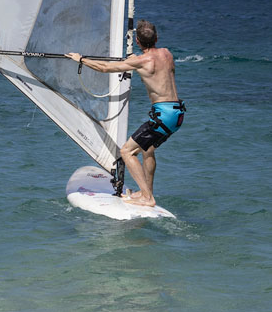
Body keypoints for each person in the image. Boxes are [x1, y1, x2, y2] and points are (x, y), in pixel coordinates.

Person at [66, 20, 185, 207]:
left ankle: (147, 198)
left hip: (163, 115)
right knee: (147, 149)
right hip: (177, 114)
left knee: (126, 151)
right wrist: (134, 59)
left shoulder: (139, 62)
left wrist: (80, 59)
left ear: (137, 41)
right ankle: (146, 192)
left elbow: (105, 68)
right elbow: (158, 67)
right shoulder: (167, 53)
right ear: (157, 38)